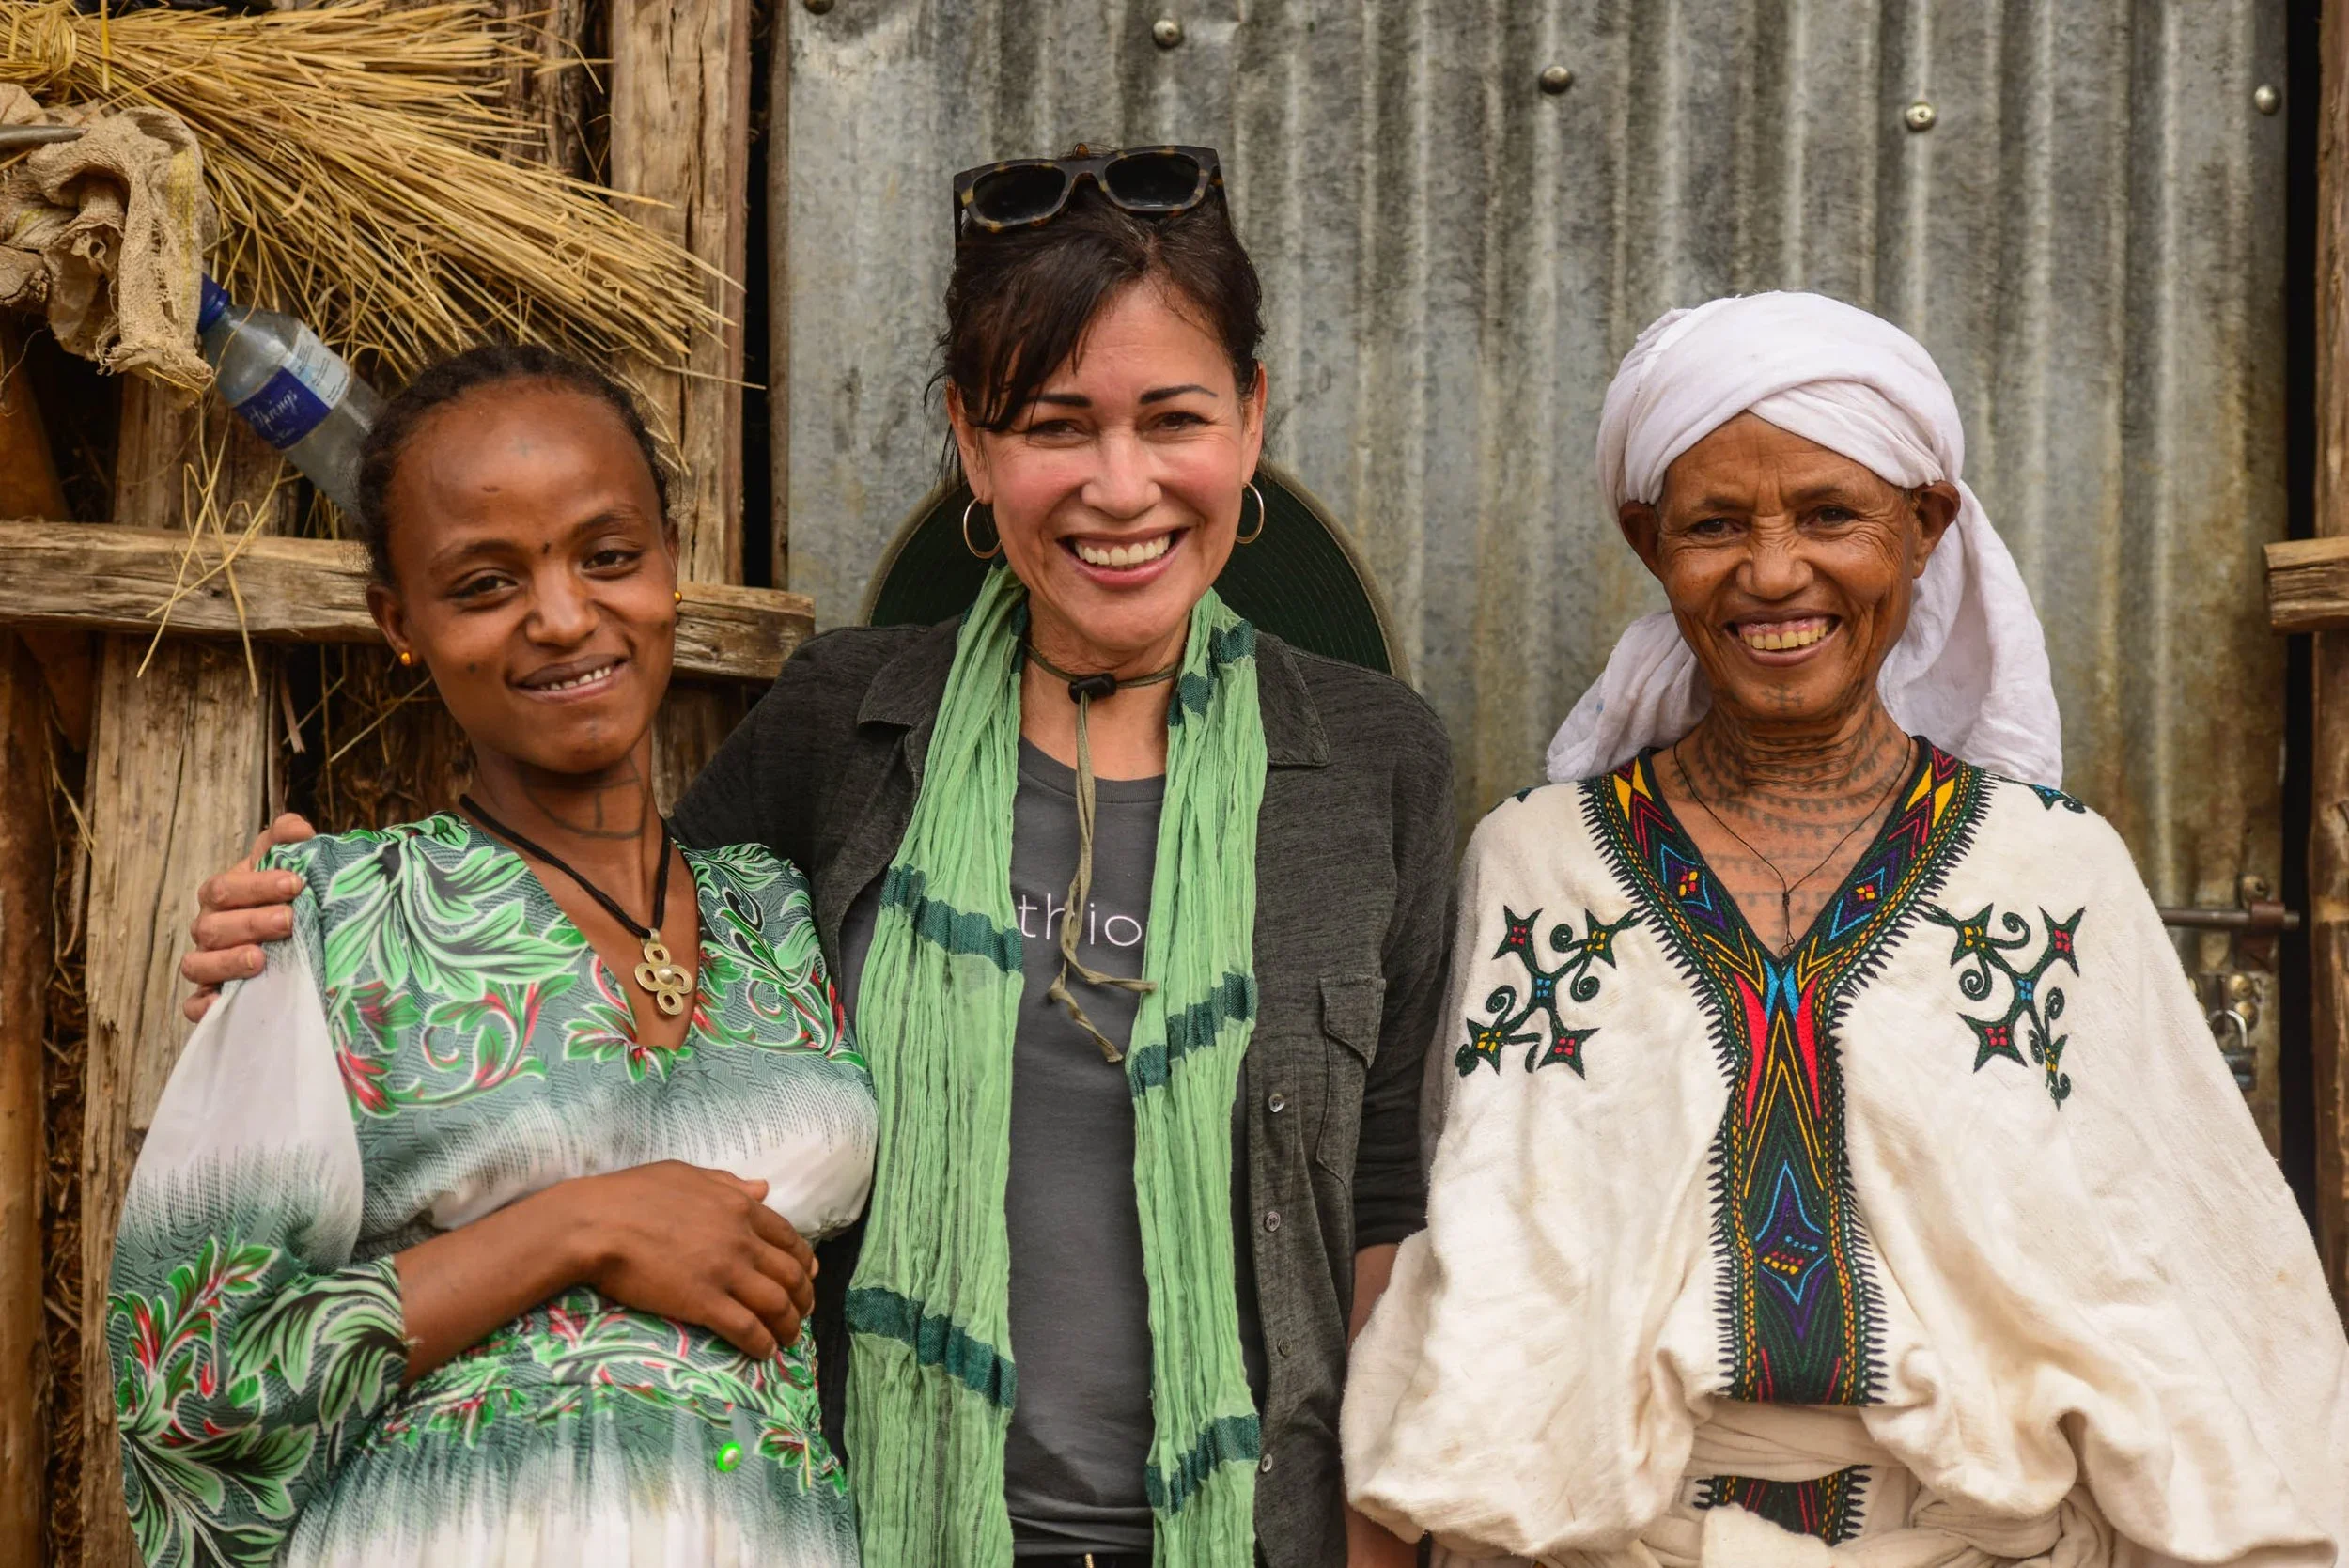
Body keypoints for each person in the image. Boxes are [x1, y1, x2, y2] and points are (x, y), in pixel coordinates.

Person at [182, 147, 1452, 1567]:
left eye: (1174, 418)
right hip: (883, 1520)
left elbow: (1386, 1218)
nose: (1121, 484)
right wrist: (310, 938)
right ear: (974, 444)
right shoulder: (844, 730)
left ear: (1251, 418)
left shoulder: (1371, 764)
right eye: (1053, 425)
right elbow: (616, 978)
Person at [1342, 291, 2349, 1566]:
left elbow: (2204, 1264)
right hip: (1606, 1542)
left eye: (1831, 514)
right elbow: (1468, 1259)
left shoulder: (2050, 873)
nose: (1772, 572)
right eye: (1714, 525)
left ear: (1925, 528)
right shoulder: (1538, 867)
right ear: (1649, 541)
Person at [115, 346, 873, 1568]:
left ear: (671, 566)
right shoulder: (331, 918)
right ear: (399, 623)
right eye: (484, 583)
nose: (565, 615)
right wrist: (572, 1228)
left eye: (608, 555)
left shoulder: (778, 913)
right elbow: (188, 1394)